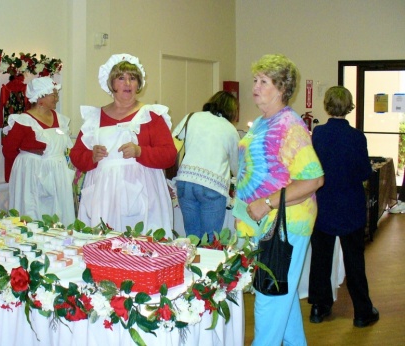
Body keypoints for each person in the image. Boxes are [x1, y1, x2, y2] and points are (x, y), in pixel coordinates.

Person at [235, 54, 324, 345]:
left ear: (281, 88)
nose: (255, 87)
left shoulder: (290, 126)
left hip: (287, 224)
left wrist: (268, 203)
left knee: (268, 301)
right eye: (255, 80)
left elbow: (313, 180)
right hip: (266, 221)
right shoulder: (262, 122)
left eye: (264, 81)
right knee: (280, 297)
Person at [70, 53, 176, 236]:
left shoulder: (151, 116)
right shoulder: (95, 118)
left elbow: (169, 155)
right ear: (111, 84)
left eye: (132, 78)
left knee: (142, 246)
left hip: (144, 195)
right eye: (121, 78)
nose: (127, 83)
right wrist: (91, 157)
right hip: (103, 196)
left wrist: (140, 151)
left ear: (138, 84)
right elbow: (76, 155)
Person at [308, 86, 379, 327]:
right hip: (350, 206)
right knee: (354, 261)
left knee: (320, 259)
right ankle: (362, 311)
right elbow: (363, 172)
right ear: (349, 106)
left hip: (324, 205)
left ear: (327, 105)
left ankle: (319, 306)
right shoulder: (357, 136)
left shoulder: (318, 134)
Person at [2, 76, 75, 225]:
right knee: (33, 209)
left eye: (56, 94)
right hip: (32, 172)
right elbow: (9, 150)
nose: (56, 97)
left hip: (57, 172)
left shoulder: (60, 119)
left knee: (58, 212)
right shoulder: (24, 121)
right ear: (40, 97)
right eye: (53, 94)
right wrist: (22, 170)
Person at [172, 91, 240, 242]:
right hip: (213, 186)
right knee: (210, 239)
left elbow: (173, 143)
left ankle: (191, 264)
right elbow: (237, 167)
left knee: (192, 237)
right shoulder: (230, 130)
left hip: (185, 181)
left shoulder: (192, 117)